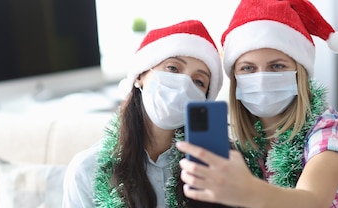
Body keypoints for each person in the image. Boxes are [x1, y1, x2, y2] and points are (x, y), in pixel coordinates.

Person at [176, 0, 338, 207]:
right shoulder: (245, 146)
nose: (262, 78)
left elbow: (313, 200)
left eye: (277, 66)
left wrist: (248, 190)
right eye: (248, 68)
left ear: (299, 74)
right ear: (235, 79)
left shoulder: (330, 130)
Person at [62, 20, 229, 208]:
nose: (183, 85)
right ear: (140, 75)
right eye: (172, 68)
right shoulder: (88, 170)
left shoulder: (213, 167)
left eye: (198, 82)